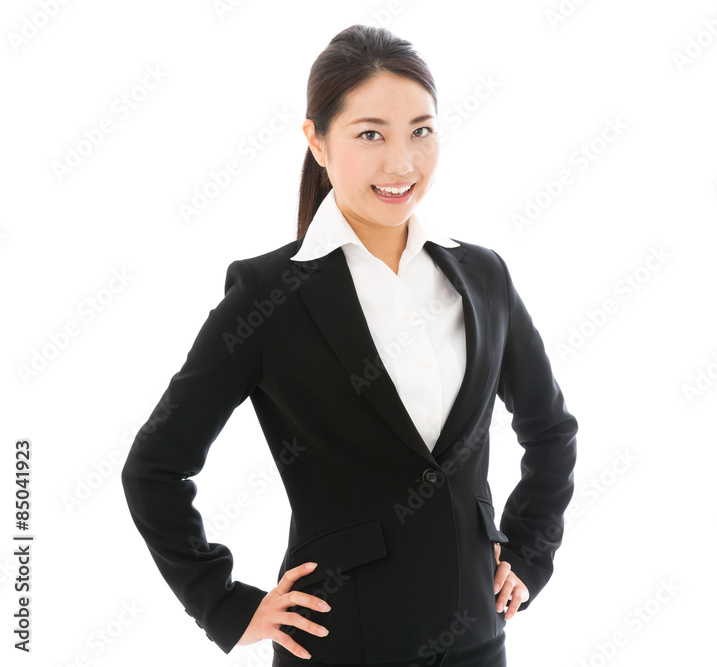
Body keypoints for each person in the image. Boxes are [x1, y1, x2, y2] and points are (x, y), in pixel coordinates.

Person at [120, 24, 578, 667]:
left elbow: (551, 429)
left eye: (421, 130)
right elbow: (155, 469)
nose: (402, 163)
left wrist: (529, 554)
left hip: (475, 641)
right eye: (370, 134)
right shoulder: (268, 294)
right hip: (341, 646)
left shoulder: (483, 277)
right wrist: (224, 604)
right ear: (317, 140)